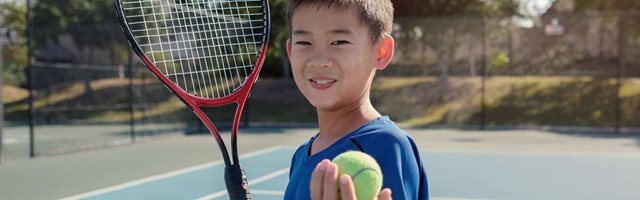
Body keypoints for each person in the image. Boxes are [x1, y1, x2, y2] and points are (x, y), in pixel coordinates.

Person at [282, 0, 429, 199]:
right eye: (304, 43)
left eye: (339, 42)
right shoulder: (300, 155)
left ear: (381, 52)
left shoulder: (388, 145)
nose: (318, 60)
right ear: (291, 52)